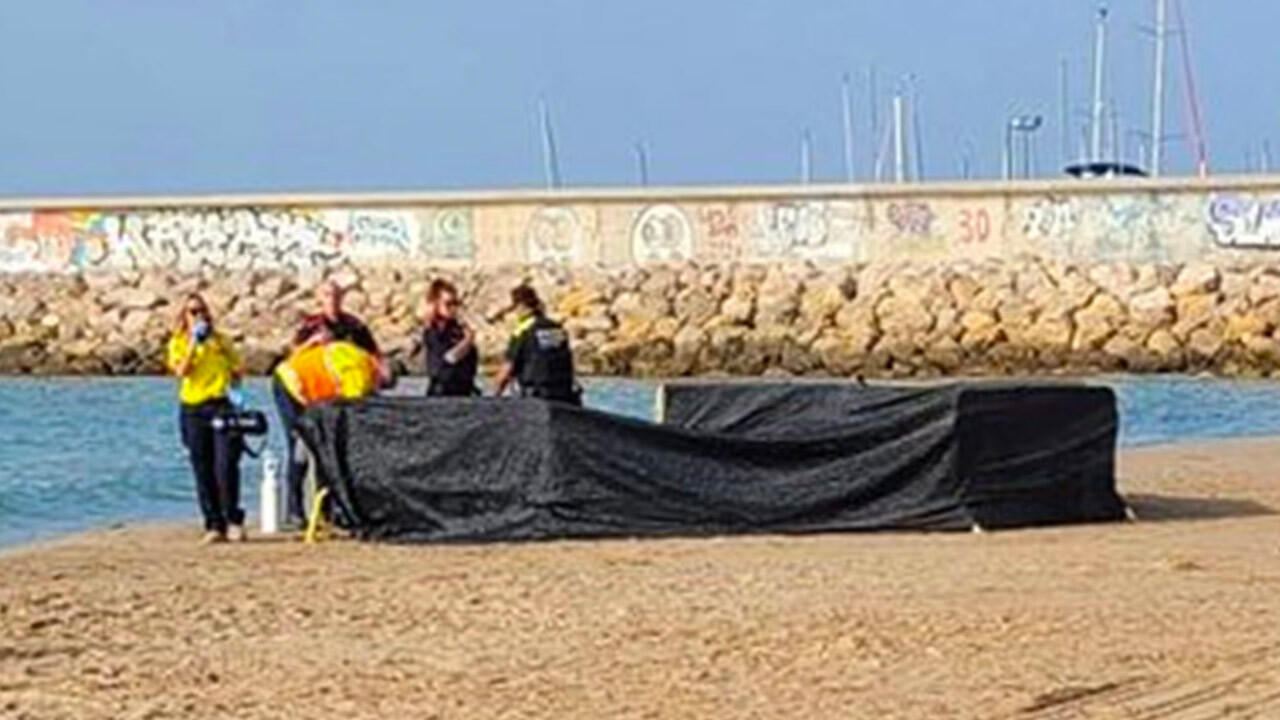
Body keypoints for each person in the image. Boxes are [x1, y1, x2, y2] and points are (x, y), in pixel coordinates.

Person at [273, 279, 382, 528]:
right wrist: (312, 344)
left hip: (330, 395)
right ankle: (294, 509)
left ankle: (329, 510)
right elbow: (291, 358)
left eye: (335, 294)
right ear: (318, 299)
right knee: (300, 444)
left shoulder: (354, 326)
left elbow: (374, 357)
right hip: (295, 388)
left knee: (329, 447)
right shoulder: (311, 325)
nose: (332, 299)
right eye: (326, 295)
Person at [166, 293, 247, 544]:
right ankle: (213, 523)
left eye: (201, 311)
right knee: (202, 468)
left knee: (226, 465)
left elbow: (238, 370)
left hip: (221, 405)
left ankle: (233, 519)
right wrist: (193, 343)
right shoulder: (178, 342)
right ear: (184, 317)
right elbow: (181, 371)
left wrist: (235, 390)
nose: (198, 316)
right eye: (192, 312)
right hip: (194, 408)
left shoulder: (220, 342)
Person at [494, 284, 581, 405]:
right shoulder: (557, 328)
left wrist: (495, 396)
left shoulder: (523, 330)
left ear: (520, 306)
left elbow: (507, 370)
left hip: (536, 398)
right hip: (564, 396)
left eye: (513, 308)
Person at [422, 278, 479, 397]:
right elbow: (449, 358)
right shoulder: (433, 331)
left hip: (464, 389)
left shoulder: (458, 329)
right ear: (436, 304)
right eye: (448, 304)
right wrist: (467, 342)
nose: (453, 309)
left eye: (455, 304)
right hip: (443, 391)